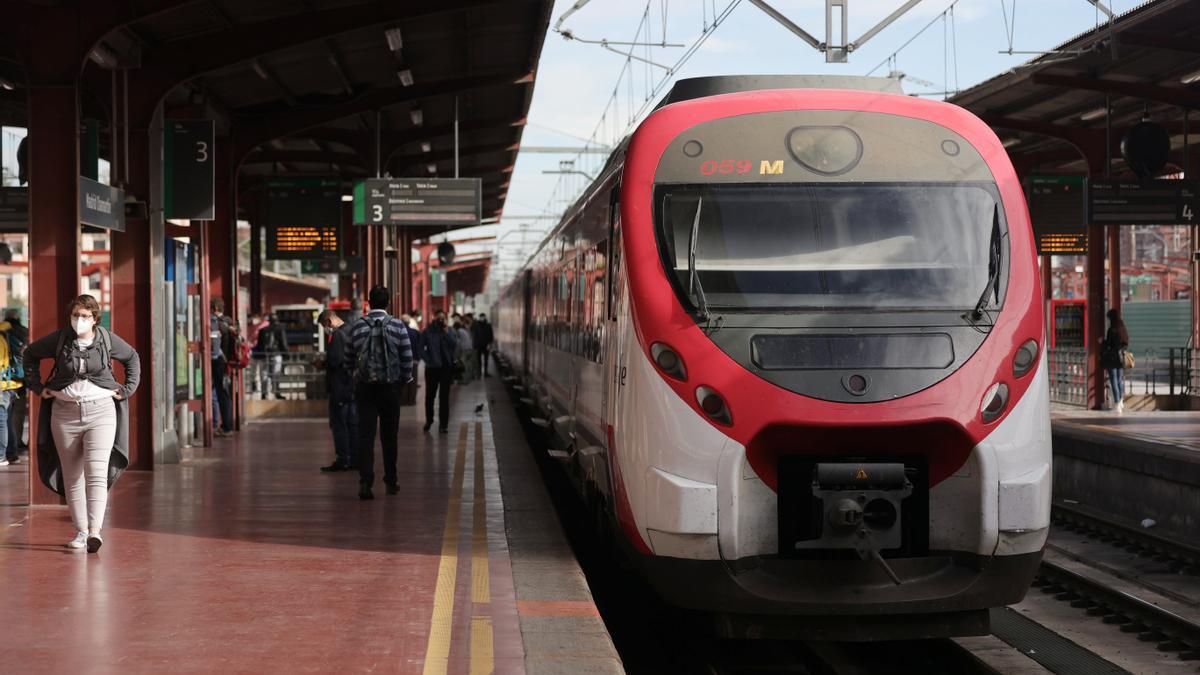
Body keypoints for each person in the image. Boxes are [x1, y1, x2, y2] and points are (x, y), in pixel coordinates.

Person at [24, 294, 140, 553]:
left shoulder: (107, 339)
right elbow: (30, 354)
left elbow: (132, 358)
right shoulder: (60, 339)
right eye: (75, 316)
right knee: (73, 476)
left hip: (102, 413)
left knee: (96, 474)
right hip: (64, 414)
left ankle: (95, 533)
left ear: (95, 319)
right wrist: (37, 386)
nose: (79, 321)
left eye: (85, 316)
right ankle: (81, 531)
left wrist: (127, 389)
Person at [345, 285, 413, 500]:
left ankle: (365, 483)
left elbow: (348, 360)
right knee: (389, 437)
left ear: (369, 303)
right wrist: (403, 381)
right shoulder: (398, 326)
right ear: (388, 303)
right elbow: (407, 358)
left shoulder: (356, 327)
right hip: (390, 389)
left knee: (366, 436)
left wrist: (356, 376)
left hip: (365, 389)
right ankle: (391, 481)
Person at [318, 310, 358, 472]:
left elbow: (335, 361)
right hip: (351, 386)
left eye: (324, 326)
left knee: (339, 425)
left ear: (329, 321)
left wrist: (323, 363)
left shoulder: (338, 336)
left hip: (340, 387)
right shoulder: (352, 330)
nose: (326, 329)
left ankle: (343, 459)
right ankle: (354, 458)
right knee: (352, 424)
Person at [422, 310, 458, 433]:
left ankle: (443, 425)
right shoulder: (428, 331)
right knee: (430, 397)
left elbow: (454, 344)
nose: (441, 321)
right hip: (432, 369)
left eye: (443, 319)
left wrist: (446, 332)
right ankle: (429, 420)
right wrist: (428, 359)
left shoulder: (449, 331)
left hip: (446, 369)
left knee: (444, 398)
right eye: (439, 318)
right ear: (434, 318)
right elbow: (420, 348)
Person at [1, 309, 28, 464]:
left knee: (3, 419)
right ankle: (15, 447)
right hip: (19, 379)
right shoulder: (24, 332)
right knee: (13, 415)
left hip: (5, 382)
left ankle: (6, 452)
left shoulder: (3, 334)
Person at [209, 299, 234, 436]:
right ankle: (226, 425)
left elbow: (214, 343)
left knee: (221, 394)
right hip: (227, 364)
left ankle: (226, 427)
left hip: (218, 363)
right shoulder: (229, 322)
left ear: (215, 308)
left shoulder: (217, 323)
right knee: (224, 394)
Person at [1100, 308, 1131, 414]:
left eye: (1108, 318)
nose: (1108, 320)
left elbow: (1108, 345)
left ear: (1111, 318)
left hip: (1112, 358)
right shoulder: (1123, 328)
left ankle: (1117, 404)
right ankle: (1121, 401)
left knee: (1113, 381)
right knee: (1119, 380)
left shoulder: (1112, 330)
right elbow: (1126, 343)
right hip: (1121, 358)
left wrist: (1101, 341)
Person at [255, 312, 289, 400]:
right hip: (276, 354)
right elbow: (283, 343)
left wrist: (260, 355)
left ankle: (264, 394)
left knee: (264, 374)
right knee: (276, 374)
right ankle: (276, 392)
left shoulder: (262, 330)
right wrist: (286, 354)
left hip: (264, 355)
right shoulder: (280, 329)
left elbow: (259, 345)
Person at [471, 313, 494, 378]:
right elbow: (475, 335)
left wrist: (490, 343)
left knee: (486, 359)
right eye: (481, 317)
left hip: (486, 345)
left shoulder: (488, 325)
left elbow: (491, 335)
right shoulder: (477, 326)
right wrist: (475, 344)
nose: (482, 318)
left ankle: (486, 372)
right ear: (479, 318)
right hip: (478, 345)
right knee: (479, 360)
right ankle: (479, 373)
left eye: (483, 317)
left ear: (485, 317)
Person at [455, 318, 474, 383]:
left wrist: (457, 354)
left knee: (464, 365)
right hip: (470, 348)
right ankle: (469, 378)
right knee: (469, 364)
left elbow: (458, 342)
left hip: (465, 349)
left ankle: (464, 380)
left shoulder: (459, 331)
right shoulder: (464, 330)